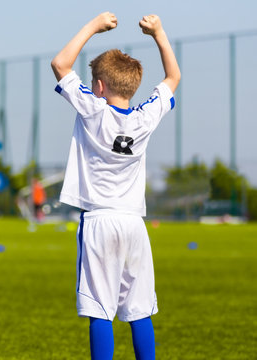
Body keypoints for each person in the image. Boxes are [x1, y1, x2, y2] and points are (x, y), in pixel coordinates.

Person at [51, 13, 180, 359]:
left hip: (99, 221)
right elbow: (173, 77)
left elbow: (60, 64)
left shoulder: (93, 110)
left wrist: (93, 26)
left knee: (100, 309)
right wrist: (158, 33)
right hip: (134, 223)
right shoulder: (144, 117)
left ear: (99, 87)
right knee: (139, 309)